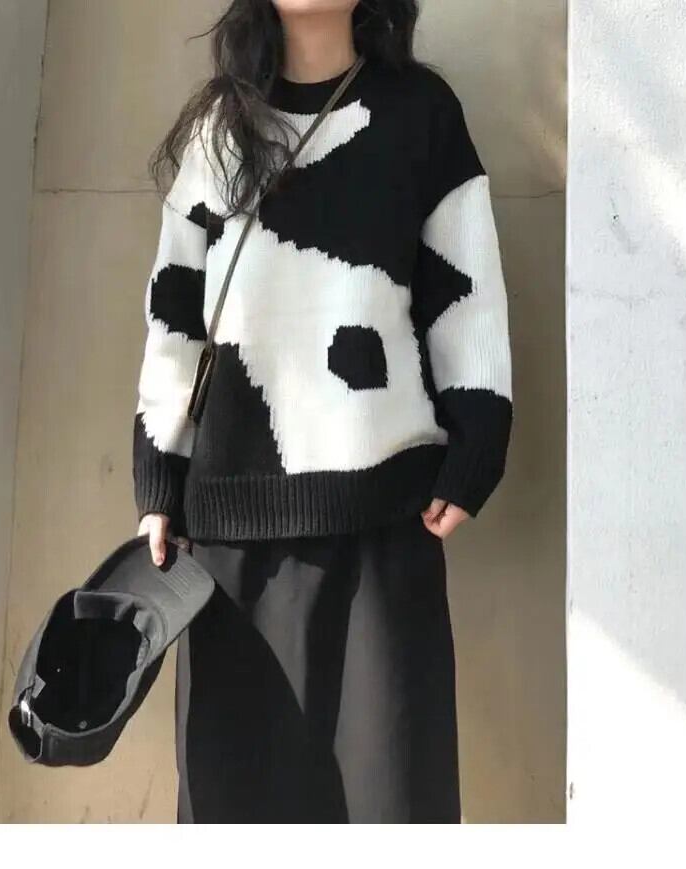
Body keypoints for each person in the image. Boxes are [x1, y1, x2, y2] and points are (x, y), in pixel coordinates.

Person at [132, 0, 512, 823]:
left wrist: (478, 437)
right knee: (237, 811)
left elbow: (465, 289)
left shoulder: (420, 114)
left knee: (393, 804)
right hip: (230, 543)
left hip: (382, 527)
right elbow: (175, 313)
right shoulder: (218, 129)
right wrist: (158, 472)